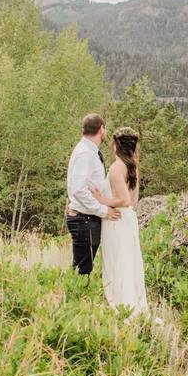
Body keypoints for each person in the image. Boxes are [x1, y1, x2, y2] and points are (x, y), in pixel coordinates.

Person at [90, 126, 150, 317]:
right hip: (128, 220)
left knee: (117, 262)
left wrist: (101, 201)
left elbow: (123, 200)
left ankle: (121, 307)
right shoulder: (133, 166)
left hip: (116, 221)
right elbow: (133, 201)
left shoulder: (117, 167)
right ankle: (131, 305)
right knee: (127, 261)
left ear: (116, 145)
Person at [66, 113, 120, 276]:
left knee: (83, 268)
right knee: (82, 270)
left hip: (86, 218)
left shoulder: (87, 150)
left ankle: (75, 296)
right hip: (84, 219)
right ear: (101, 129)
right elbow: (78, 189)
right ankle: (74, 298)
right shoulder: (86, 154)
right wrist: (103, 210)